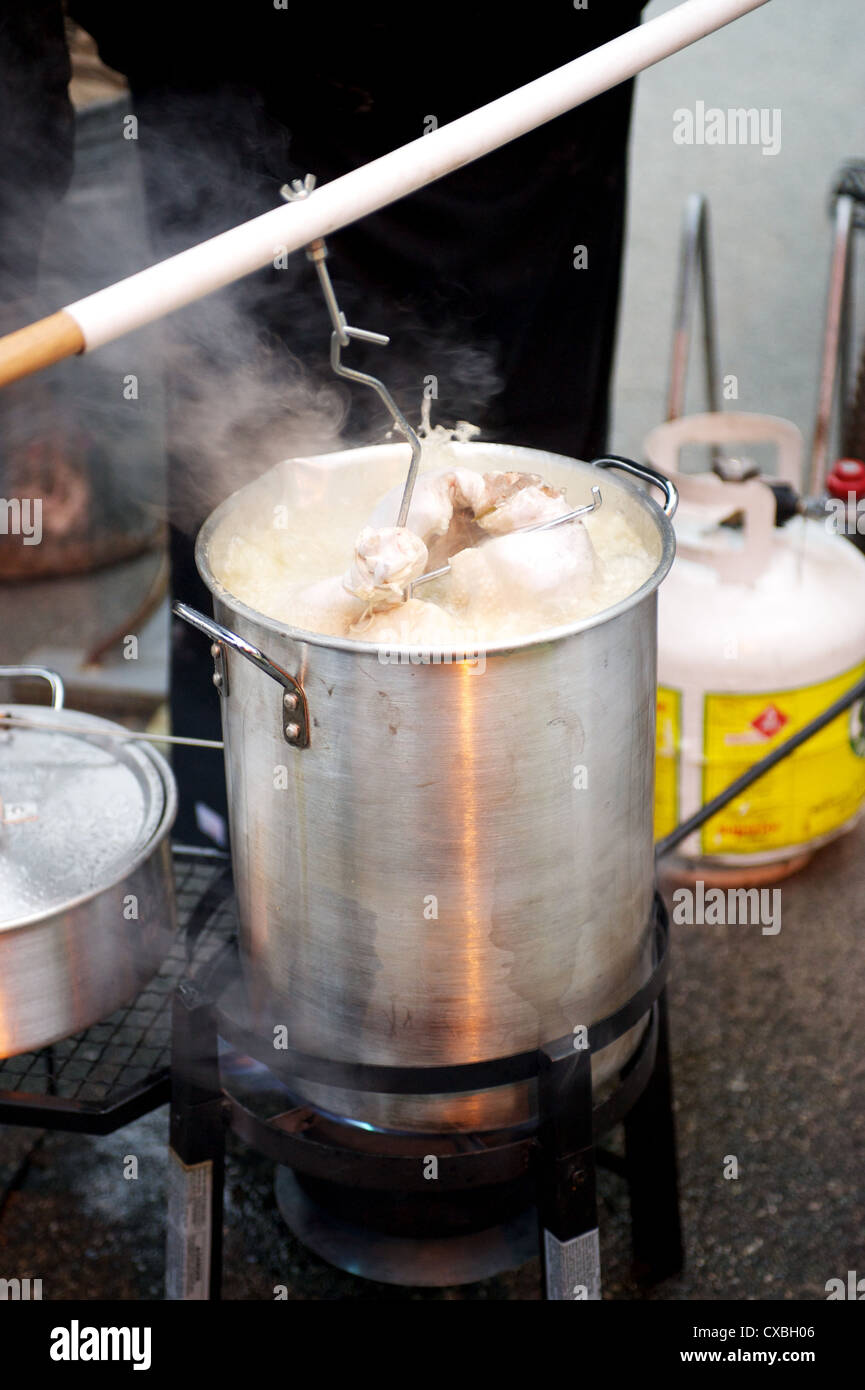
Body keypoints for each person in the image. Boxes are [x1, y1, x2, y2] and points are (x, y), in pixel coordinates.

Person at [2, 2, 646, 843]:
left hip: (526, 108)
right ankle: (238, 834)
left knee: (529, 506)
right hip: (220, 87)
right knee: (230, 493)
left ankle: (537, 832)